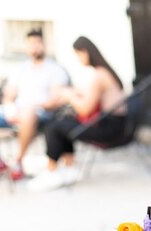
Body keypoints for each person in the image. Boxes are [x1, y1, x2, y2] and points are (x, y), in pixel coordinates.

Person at [0, 28, 69, 181]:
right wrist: (10, 108)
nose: (34, 47)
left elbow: (56, 100)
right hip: (16, 110)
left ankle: (18, 161)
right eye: (30, 44)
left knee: (28, 114)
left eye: (38, 43)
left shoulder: (55, 70)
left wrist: (33, 107)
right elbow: (9, 96)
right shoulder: (20, 69)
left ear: (45, 44)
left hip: (38, 112)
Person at [27, 36, 127, 191]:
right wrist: (74, 93)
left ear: (85, 53)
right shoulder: (104, 72)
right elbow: (91, 98)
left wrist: (69, 96)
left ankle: (52, 170)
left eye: (78, 55)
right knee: (63, 121)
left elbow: (85, 109)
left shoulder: (99, 75)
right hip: (114, 124)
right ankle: (68, 168)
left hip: (109, 129)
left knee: (54, 126)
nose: (78, 60)